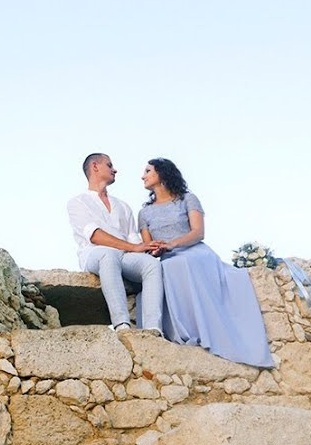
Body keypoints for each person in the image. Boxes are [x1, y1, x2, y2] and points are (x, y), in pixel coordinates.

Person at [138, 158, 274, 367]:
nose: (143, 176)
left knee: (181, 264)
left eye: (148, 171)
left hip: (194, 251)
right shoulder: (144, 212)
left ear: (162, 173)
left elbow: (198, 232)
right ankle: (182, 331)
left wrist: (173, 244)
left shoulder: (187, 199)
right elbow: (148, 245)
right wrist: (157, 249)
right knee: (166, 267)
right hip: (166, 257)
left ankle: (206, 330)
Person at [66, 153, 163, 332]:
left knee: (151, 264)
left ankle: (153, 328)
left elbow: (134, 240)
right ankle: (122, 325)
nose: (115, 170)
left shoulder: (123, 206)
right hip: (94, 253)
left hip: (125, 256)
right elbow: (95, 236)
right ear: (95, 167)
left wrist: (149, 250)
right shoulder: (77, 202)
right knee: (108, 254)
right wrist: (134, 247)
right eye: (109, 165)